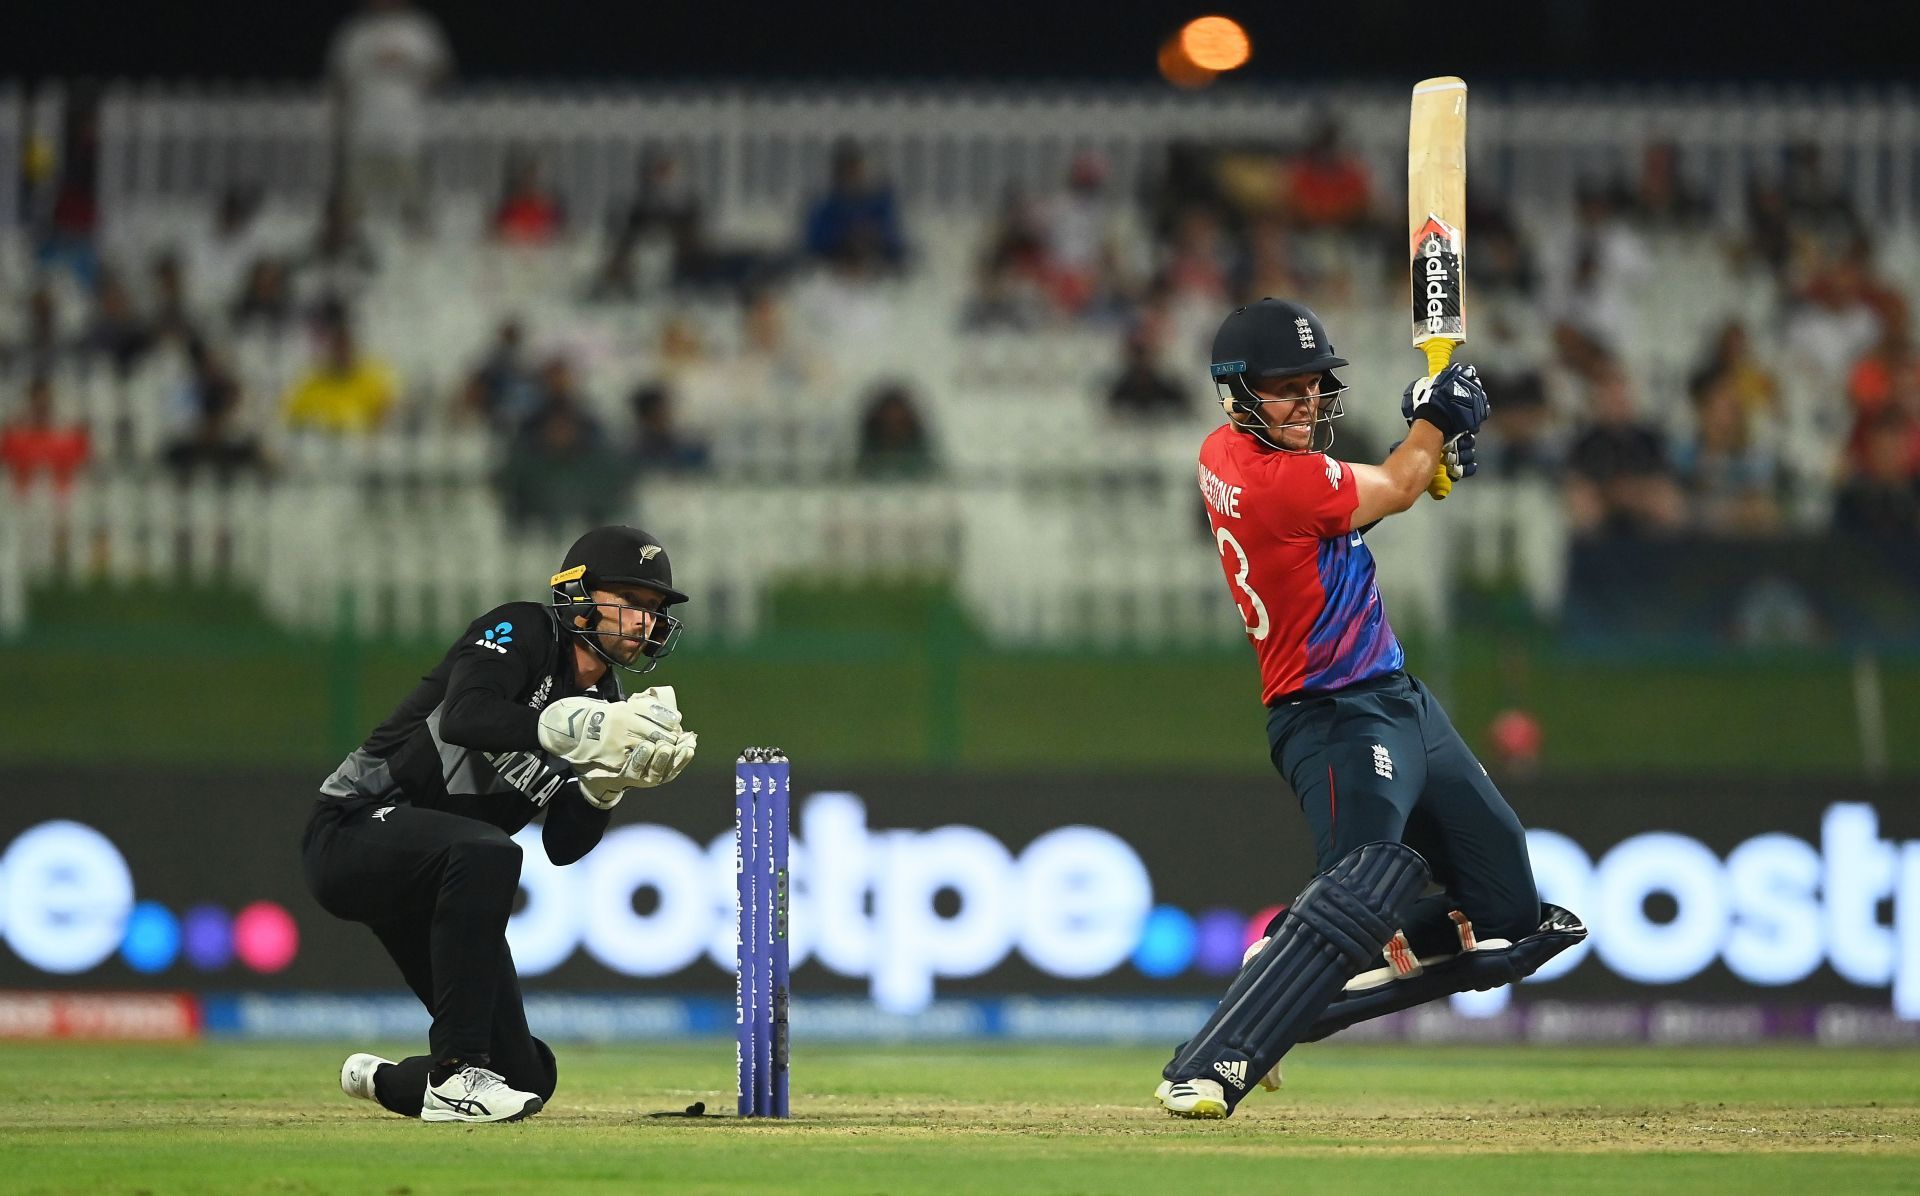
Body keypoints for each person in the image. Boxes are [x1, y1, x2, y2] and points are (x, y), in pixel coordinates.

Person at [1154, 299, 1585, 1120]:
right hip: (1331, 716)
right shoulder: (1270, 477)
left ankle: (1286, 965)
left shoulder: (1233, 455)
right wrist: (1435, 425)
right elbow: (1393, 483)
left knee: (1506, 921)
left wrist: (1428, 450)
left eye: (1315, 387)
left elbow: (1385, 492)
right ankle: (1218, 1056)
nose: (1307, 405)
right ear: (1234, 395)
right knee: (1362, 890)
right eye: (1285, 391)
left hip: (1398, 698)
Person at [306, 526, 699, 1123]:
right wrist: (575, 730)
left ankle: (381, 1079)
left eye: (654, 610)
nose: (644, 622)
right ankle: (453, 1072)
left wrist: (606, 785)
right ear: (578, 595)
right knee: (489, 851)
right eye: (631, 601)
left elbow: (565, 846)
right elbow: (466, 715)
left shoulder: (612, 707)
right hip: (352, 830)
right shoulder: (524, 629)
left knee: (527, 1077)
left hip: (438, 881)